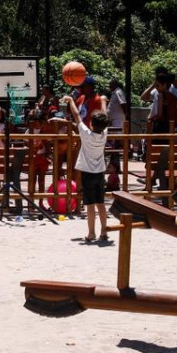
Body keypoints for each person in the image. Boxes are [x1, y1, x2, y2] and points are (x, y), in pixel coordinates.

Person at [61, 94, 110, 243]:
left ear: (91, 124)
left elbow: (76, 115)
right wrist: (102, 101)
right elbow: (105, 115)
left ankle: (91, 233)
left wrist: (70, 101)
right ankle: (104, 231)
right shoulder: (104, 134)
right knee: (101, 203)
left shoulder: (86, 134)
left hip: (88, 174)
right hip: (100, 172)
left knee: (89, 205)